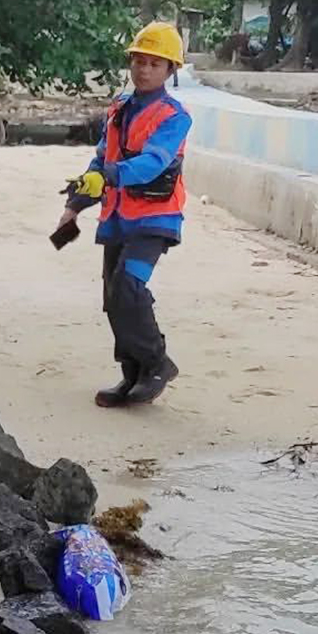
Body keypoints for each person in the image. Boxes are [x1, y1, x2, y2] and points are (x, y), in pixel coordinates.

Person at [57, 22, 191, 408]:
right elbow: (101, 159)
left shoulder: (174, 117)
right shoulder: (119, 110)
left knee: (130, 289)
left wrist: (109, 176)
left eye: (154, 63)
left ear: (170, 70)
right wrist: (75, 203)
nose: (144, 69)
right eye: (139, 61)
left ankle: (157, 363)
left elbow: (152, 163)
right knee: (114, 297)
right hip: (116, 219)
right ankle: (131, 375)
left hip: (155, 220)